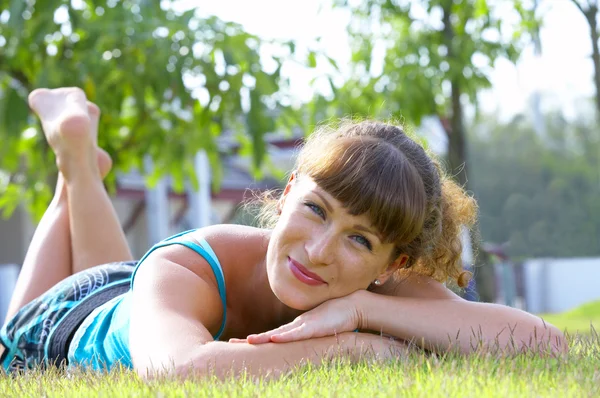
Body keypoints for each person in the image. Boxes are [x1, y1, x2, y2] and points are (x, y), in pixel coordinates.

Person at [0, 87, 565, 378]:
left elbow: (543, 345)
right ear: (289, 188)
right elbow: (177, 373)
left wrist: (365, 311)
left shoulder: (378, 290)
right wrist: (351, 347)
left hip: (135, 299)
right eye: (317, 209)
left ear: (393, 266)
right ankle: (74, 165)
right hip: (65, 320)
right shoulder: (191, 264)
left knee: (106, 251)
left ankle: (78, 166)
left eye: (360, 239)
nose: (319, 252)